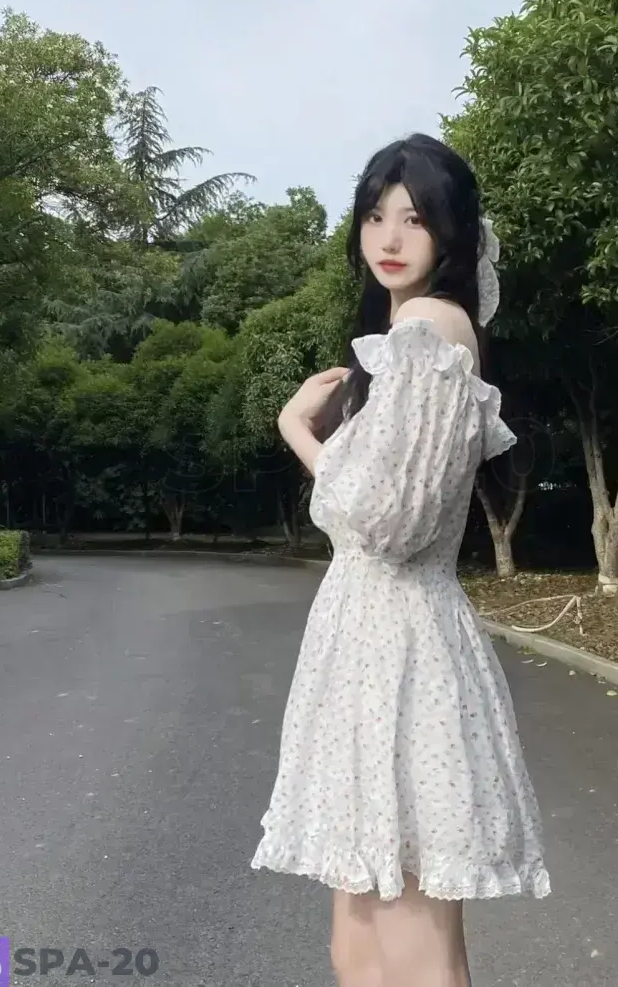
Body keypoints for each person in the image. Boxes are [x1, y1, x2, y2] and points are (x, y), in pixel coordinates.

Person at [251, 133, 550, 987]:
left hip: (398, 653)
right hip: (376, 645)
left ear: (451, 232)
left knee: (406, 945)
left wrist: (298, 431)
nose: (389, 236)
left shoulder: (428, 328)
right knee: (364, 942)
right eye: (375, 215)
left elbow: (388, 519)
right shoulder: (409, 334)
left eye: (414, 218)